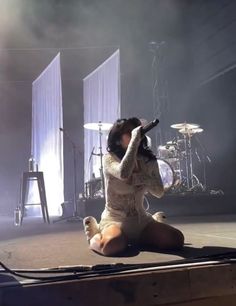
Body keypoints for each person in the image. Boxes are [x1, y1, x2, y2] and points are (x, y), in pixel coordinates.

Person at [83, 117, 184, 256]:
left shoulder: (148, 160)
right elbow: (124, 173)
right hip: (114, 220)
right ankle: (95, 233)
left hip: (141, 221)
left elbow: (159, 192)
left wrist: (143, 177)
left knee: (176, 239)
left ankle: (147, 230)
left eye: (136, 131)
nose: (135, 134)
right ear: (118, 140)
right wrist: (134, 143)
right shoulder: (109, 158)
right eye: (129, 132)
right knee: (111, 246)